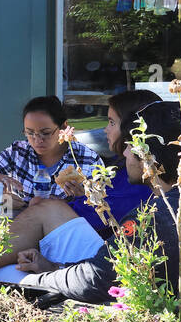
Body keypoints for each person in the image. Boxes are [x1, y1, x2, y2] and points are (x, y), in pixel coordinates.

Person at [6, 101, 181, 304]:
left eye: (130, 145)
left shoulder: (156, 218)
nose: (126, 153)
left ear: (149, 155)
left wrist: (37, 280)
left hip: (151, 318)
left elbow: (97, 279)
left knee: (5, 274)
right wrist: (57, 267)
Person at [0, 95, 102, 209]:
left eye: (45, 133)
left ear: (63, 127)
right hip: (21, 227)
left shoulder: (87, 159)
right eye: (30, 133)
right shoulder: (18, 152)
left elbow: (105, 210)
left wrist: (80, 200)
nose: (37, 140)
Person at [65, 89, 157, 236]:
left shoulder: (139, 172)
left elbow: (103, 214)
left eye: (112, 123)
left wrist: (60, 206)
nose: (105, 130)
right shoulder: (120, 163)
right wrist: (84, 196)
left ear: (131, 128)